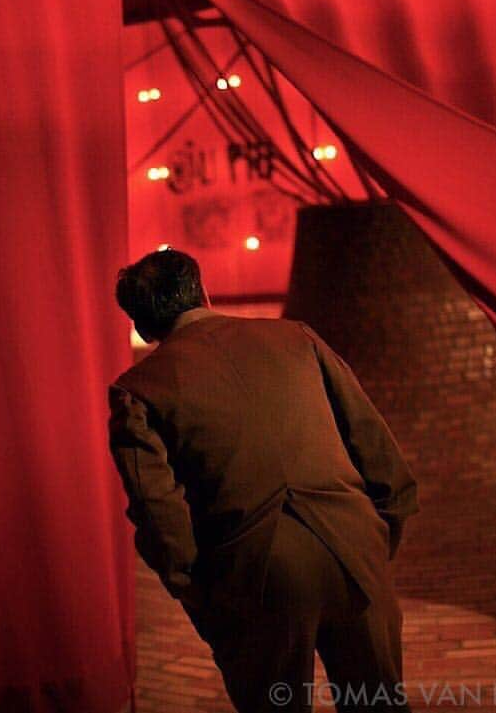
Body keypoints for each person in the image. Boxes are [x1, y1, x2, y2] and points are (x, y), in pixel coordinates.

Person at [108, 249, 418, 712]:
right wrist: (378, 533)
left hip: (256, 571)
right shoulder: (296, 338)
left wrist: (200, 592)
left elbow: (157, 512)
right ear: (202, 293)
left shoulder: (139, 389)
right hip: (354, 545)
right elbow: (373, 443)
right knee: (378, 704)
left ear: (142, 324)